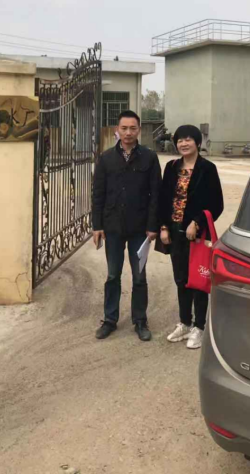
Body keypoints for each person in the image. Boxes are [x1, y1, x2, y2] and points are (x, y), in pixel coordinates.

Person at [92, 110, 162, 342]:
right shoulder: (106, 158)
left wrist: (153, 226)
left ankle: (140, 320)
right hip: (112, 227)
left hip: (140, 229)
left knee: (139, 276)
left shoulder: (149, 158)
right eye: (124, 128)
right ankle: (109, 319)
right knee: (113, 275)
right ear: (117, 130)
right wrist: (97, 225)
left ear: (138, 130)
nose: (128, 132)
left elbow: (156, 195)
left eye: (133, 128)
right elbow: (98, 194)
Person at [158, 125, 223, 349]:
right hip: (174, 231)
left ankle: (199, 327)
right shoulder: (171, 167)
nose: (184, 144)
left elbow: (217, 204)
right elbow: (164, 200)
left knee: (198, 280)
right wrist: (163, 226)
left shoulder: (208, 169)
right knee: (181, 279)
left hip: (196, 235)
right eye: (180, 140)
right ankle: (185, 323)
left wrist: (196, 222)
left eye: (188, 139)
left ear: (197, 142)